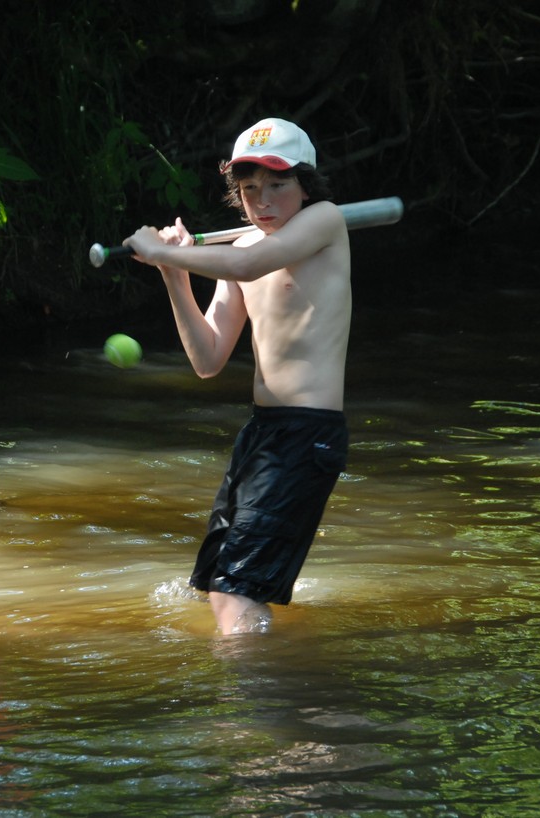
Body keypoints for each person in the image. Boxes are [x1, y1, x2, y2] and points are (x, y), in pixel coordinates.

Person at [124, 118, 351, 636]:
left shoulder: (325, 223)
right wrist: (174, 275)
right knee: (215, 584)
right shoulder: (244, 248)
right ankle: (262, 693)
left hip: (307, 432)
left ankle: (254, 710)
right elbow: (208, 359)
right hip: (263, 434)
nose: (263, 201)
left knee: (236, 591)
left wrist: (165, 249)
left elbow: (249, 268)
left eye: (278, 185)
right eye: (250, 189)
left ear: (306, 185)